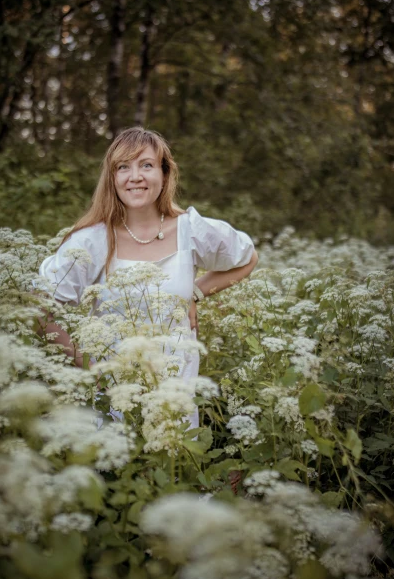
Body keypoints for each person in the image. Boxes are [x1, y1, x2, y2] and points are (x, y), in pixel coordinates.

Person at [36, 127, 258, 427]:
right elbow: (41, 310)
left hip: (175, 401)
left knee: (177, 469)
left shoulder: (189, 229)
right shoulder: (91, 241)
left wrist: (195, 293)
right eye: (123, 167)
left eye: (147, 165)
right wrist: (88, 366)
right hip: (116, 402)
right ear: (112, 178)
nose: (135, 176)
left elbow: (247, 258)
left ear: (164, 175)